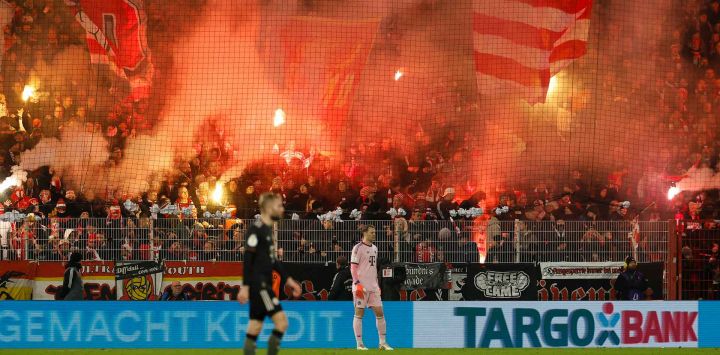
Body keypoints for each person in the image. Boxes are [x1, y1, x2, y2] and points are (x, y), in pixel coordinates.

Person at [237, 192, 302, 355]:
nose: (282, 209)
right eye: (279, 206)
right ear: (269, 207)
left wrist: (289, 280)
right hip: (260, 286)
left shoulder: (267, 231)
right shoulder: (256, 229)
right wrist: (244, 287)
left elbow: (273, 261)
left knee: (255, 326)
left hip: (263, 285)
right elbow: (248, 259)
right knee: (281, 323)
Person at [351, 225, 393, 351]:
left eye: (375, 232)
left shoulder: (375, 248)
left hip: (373, 287)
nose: (374, 234)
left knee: (380, 313)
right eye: (372, 232)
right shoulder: (357, 248)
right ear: (364, 233)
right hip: (360, 286)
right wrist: (357, 283)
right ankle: (359, 344)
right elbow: (353, 267)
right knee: (359, 313)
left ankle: (382, 343)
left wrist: (377, 284)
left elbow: (373, 269)